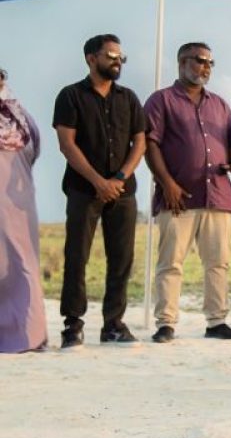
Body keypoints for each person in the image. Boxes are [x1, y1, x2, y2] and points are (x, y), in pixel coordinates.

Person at [144, 43, 231, 343]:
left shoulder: (220, 104)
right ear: (182, 62)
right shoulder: (161, 101)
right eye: (201, 61)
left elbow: (230, 142)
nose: (207, 67)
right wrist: (167, 184)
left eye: (211, 63)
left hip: (218, 195)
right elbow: (150, 144)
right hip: (179, 197)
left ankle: (217, 321)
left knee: (218, 262)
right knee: (171, 263)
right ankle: (166, 323)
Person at [52, 34, 146, 348]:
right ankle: (72, 325)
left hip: (123, 191)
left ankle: (114, 325)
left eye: (121, 56)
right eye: (111, 55)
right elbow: (67, 145)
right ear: (91, 58)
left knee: (121, 259)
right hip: (83, 190)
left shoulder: (129, 98)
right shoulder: (70, 96)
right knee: (76, 257)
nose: (118, 61)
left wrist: (119, 177)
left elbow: (140, 142)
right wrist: (98, 181)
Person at [0, 69, 48, 353]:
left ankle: (29, 337)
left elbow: (35, 146)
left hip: (17, 203)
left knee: (22, 265)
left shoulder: (19, 116)